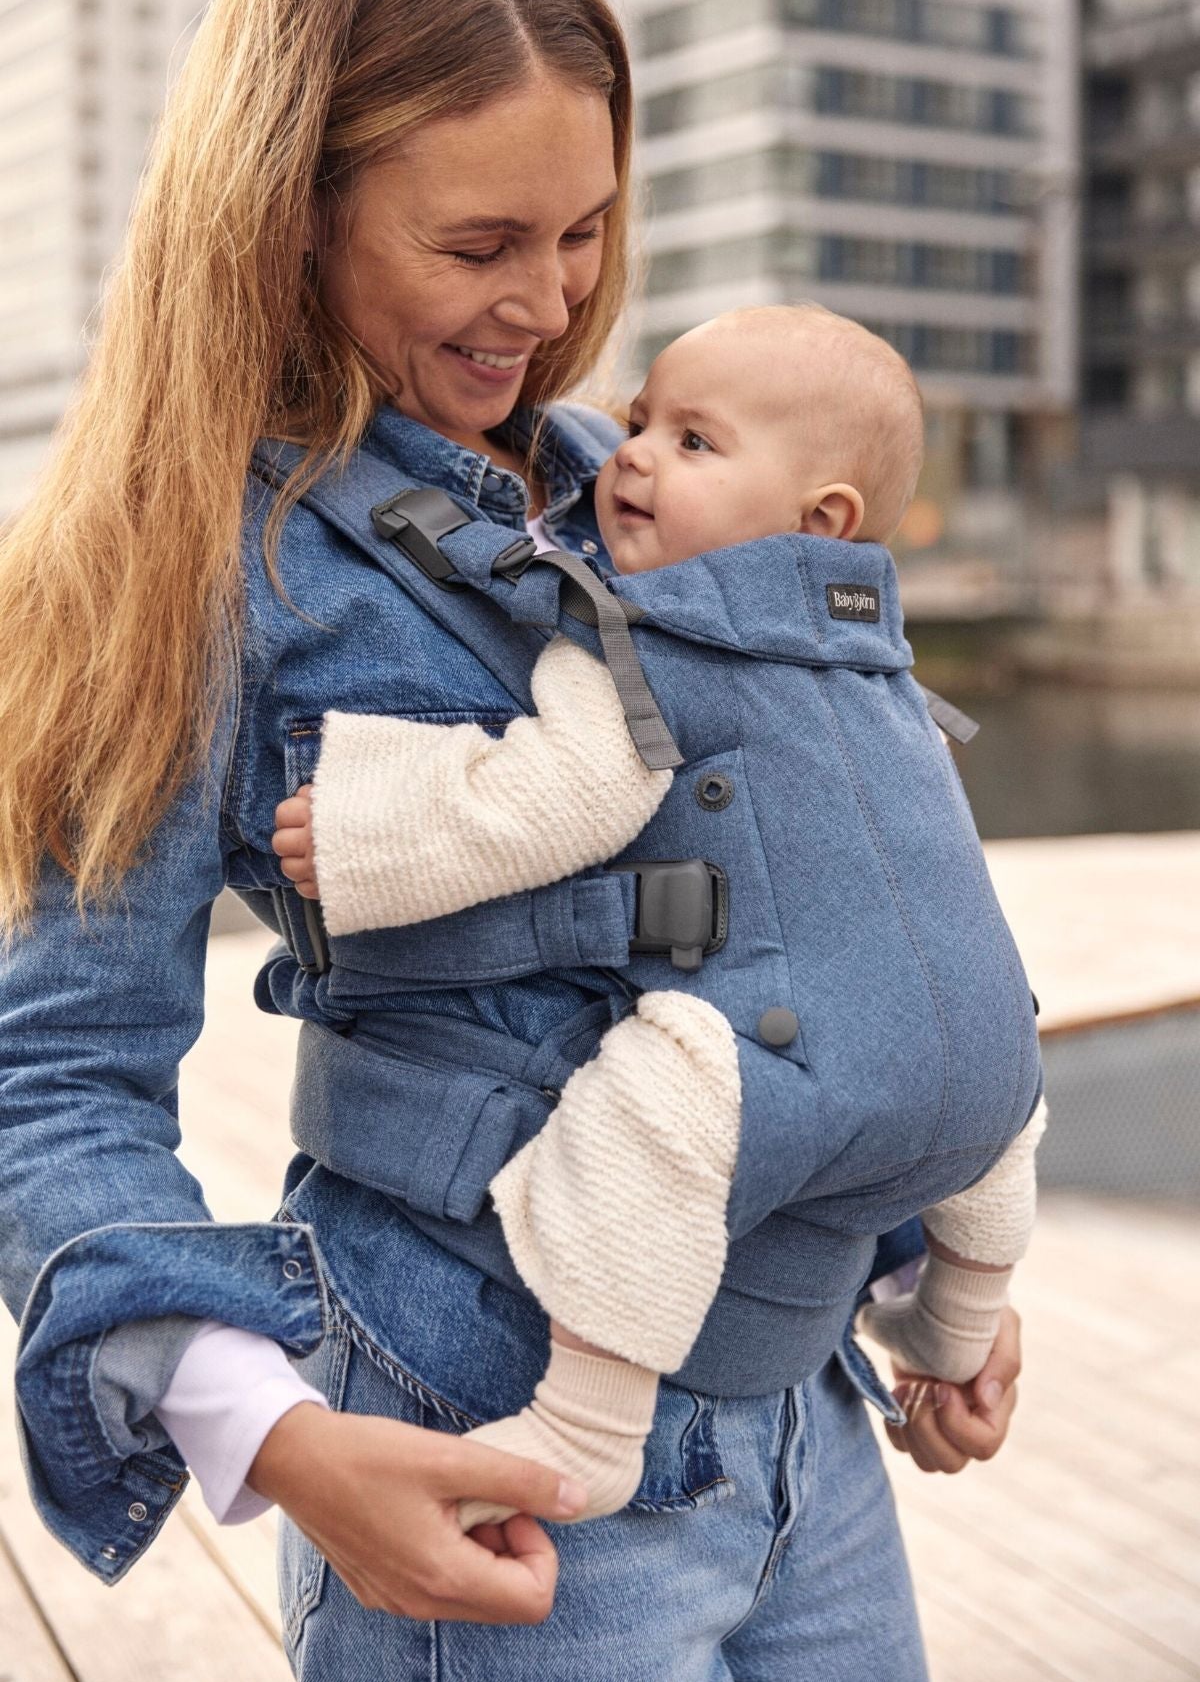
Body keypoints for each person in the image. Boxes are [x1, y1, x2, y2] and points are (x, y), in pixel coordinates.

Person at [0, 0, 1023, 1679]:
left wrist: (917, 1265)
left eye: (586, 233)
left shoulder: (648, 490)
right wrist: (285, 1447)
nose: (549, 307)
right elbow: (54, 1088)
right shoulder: (174, 567)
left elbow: (805, 911)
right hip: (479, 1455)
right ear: (293, 218)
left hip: (814, 1447)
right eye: (480, 243)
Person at [270, 303, 1046, 1529]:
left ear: (819, 518)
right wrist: (954, 1311)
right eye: (640, 421)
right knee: (987, 1097)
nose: (629, 456)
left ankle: (585, 1420)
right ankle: (956, 1330)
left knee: (645, 1107)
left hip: (792, 1060)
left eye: (693, 443)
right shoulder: (883, 663)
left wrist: (368, 829)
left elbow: (548, 795)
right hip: (997, 1066)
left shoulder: (651, 634)